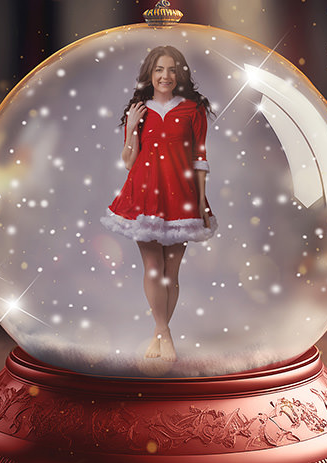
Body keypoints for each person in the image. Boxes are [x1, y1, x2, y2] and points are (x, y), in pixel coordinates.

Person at [101, 45, 216, 362]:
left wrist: (202, 201)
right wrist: (132, 128)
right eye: (159, 70)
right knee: (152, 267)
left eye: (171, 70)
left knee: (171, 271)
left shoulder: (193, 110)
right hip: (143, 194)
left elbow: (200, 158)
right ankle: (163, 334)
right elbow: (128, 161)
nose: (165, 76)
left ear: (179, 74)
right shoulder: (139, 110)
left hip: (180, 196)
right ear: (150, 75)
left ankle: (159, 334)